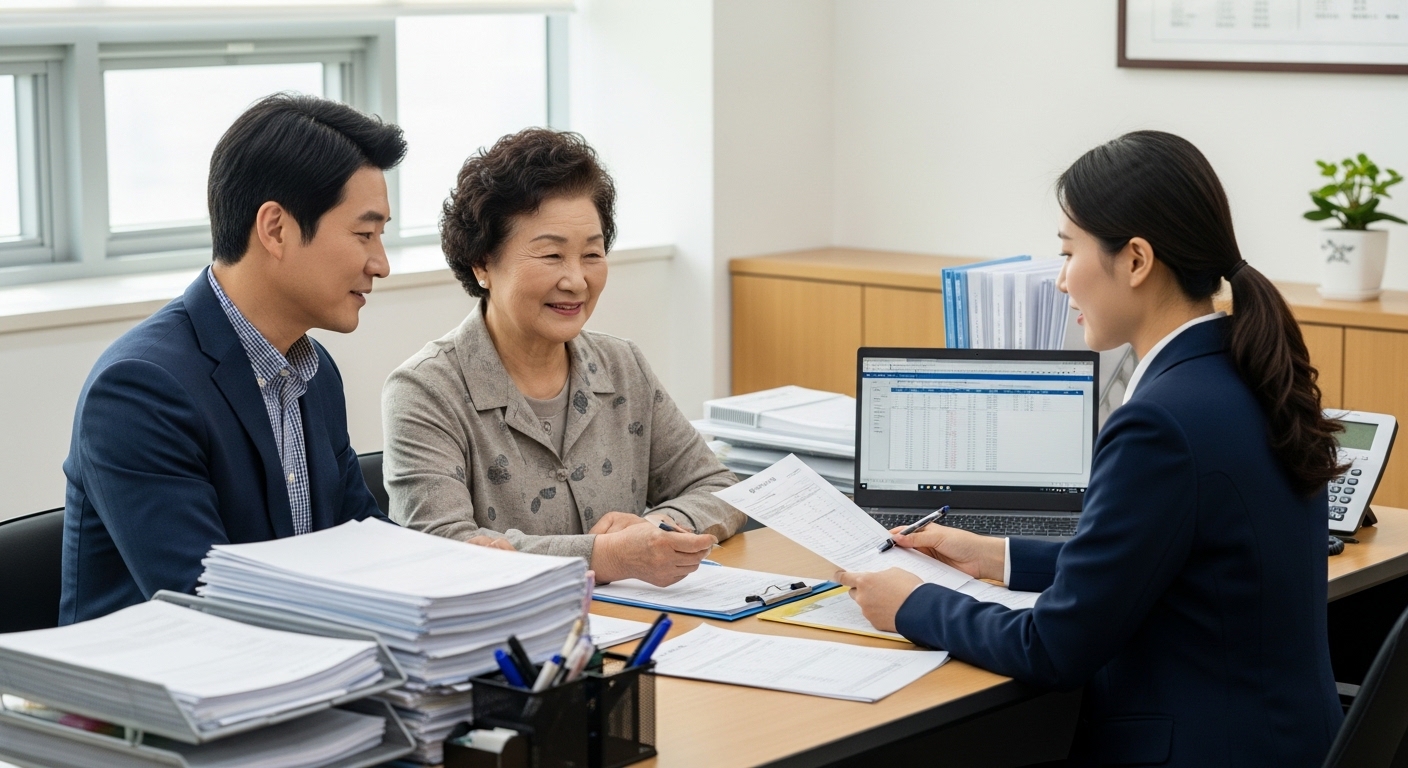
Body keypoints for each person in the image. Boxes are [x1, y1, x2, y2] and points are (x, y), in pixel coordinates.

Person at [838, 131, 1344, 767]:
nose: (1060, 281)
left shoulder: (1159, 423)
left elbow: (1054, 647)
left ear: (1135, 260)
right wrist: (997, 557)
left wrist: (914, 605)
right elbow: (1162, 563)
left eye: (1068, 251)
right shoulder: (1244, 374)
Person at [60, 94, 409, 624]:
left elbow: (359, 538)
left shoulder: (314, 372)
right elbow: (207, 601)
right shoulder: (140, 388)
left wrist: (466, 569)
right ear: (275, 229)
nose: (380, 264)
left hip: (294, 669)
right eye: (364, 234)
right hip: (159, 689)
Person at [382, 128, 743, 586]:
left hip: (634, 630)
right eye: (552, 255)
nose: (576, 280)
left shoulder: (621, 365)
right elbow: (443, 544)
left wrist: (658, 527)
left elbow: (721, 488)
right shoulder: (425, 390)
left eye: (591, 254)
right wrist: (607, 556)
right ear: (482, 264)